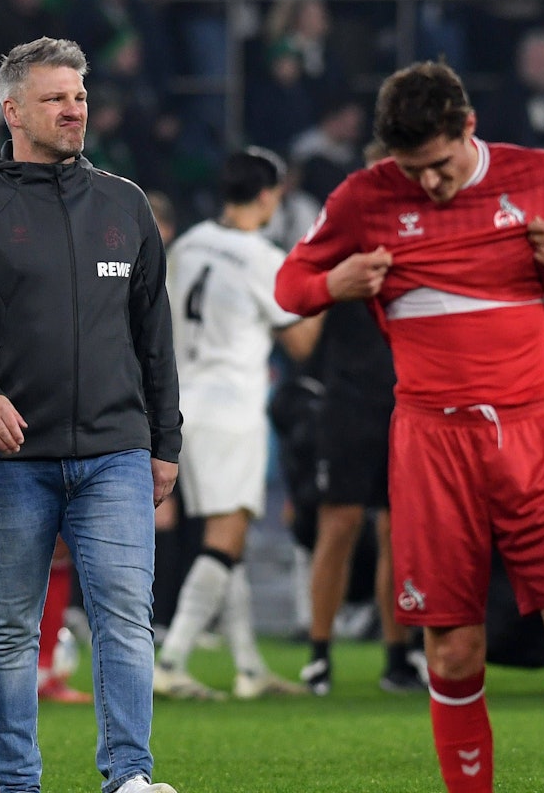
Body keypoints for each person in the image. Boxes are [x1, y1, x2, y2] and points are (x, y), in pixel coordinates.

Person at [274, 61, 544, 793]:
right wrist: (331, 285)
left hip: (534, 437)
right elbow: (290, 287)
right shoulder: (366, 197)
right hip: (432, 446)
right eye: (412, 170)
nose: (427, 184)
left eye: (437, 166)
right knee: (455, 655)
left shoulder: (539, 177)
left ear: (468, 129)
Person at [0, 37, 182, 793]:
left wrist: (165, 440)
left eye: (80, 96)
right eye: (56, 98)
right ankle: (16, 782)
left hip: (115, 453)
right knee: (7, 630)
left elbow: (152, 334)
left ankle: (129, 775)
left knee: (126, 620)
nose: (74, 110)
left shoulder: (125, 205)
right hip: (7, 462)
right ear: (12, 112)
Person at [152, 147, 315, 701]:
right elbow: (301, 341)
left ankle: (248, 667)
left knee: (232, 544)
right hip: (232, 408)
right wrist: (324, 292)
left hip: (182, 404)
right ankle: (171, 658)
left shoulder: (189, 243)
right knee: (225, 538)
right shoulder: (264, 258)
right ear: (268, 195)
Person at [284, 139, 426, 698]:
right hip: (347, 399)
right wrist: (331, 284)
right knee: (339, 524)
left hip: (407, 397)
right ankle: (320, 654)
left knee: (398, 530)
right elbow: (298, 297)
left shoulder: (426, 233)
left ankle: (398, 656)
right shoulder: (339, 230)